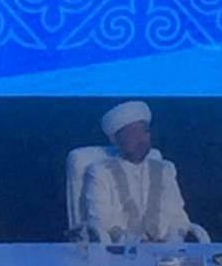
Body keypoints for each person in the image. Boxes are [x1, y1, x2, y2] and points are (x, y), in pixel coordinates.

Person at [82, 100, 197, 244]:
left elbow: (178, 216)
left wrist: (172, 244)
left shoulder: (166, 170)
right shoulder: (100, 172)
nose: (141, 139)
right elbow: (101, 220)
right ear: (115, 139)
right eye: (132, 133)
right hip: (122, 251)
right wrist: (137, 245)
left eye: (145, 132)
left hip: (166, 249)